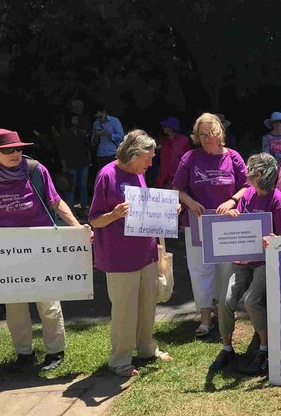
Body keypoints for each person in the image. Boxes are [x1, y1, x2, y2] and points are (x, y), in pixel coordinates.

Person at [0, 129, 88, 372]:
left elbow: (55, 201)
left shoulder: (35, 170)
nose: (16, 153)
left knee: (48, 300)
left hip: (41, 246)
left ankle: (55, 351)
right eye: (8, 150)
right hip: (5, 250)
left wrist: (78, 228)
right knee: (13, 303)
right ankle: (24, 353)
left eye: (18, 148)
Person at [89, 130, 173, 377]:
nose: (150, 163)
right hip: (119, 256)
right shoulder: (107, 175)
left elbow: (147, 209)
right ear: (133, 155)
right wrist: (114, 214)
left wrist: (169, 211)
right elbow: (95, 220)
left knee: (148, 304)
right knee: (125, 310)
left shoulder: (139, 173)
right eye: (147, 159)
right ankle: (120, 360)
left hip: (145, 252)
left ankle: (147, 348)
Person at [210, 153, 281, 375]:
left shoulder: (277, 199)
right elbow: (241, 224)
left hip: (265, 260)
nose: (247, 176)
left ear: (260, 174)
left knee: (252, 300)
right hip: (243, 259)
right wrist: (234, 215)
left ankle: (264, 349)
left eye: (251, 173)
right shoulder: (248, 195)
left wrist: (272, 239)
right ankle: (227, 349)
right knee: (225, 301)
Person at [173, 112, 249, 337]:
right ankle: (205, 319)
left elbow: (247, 186)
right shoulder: (189, 158)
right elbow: (177, 189)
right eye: (201, 134)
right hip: (196, 222)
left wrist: (233, 200)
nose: (206, 138)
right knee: (200, 270)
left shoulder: (233, 156)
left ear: (219, 134)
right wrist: (190, 202)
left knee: (227, 270)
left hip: (227, 222)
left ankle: (225, 314)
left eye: (210, 134)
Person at [55, 115, 92, 212]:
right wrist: (64, 165)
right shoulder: (65, 134)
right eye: (73, 119)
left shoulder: (82, 133)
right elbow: (62, 151)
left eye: (76, 119)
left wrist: (89, 161)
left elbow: (87, 148)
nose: (75, 121)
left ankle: (84, 208)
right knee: (70, 187)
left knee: (83, 186)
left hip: (83, 163)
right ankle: (70, 209)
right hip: (70, 164)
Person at [155, 116, 191, 189]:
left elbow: (188, 160)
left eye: (165, 126)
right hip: (163, 179)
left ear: (171, 128)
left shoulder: (184, 141)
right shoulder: (164, 141)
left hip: (178, 180)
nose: (163, 128)